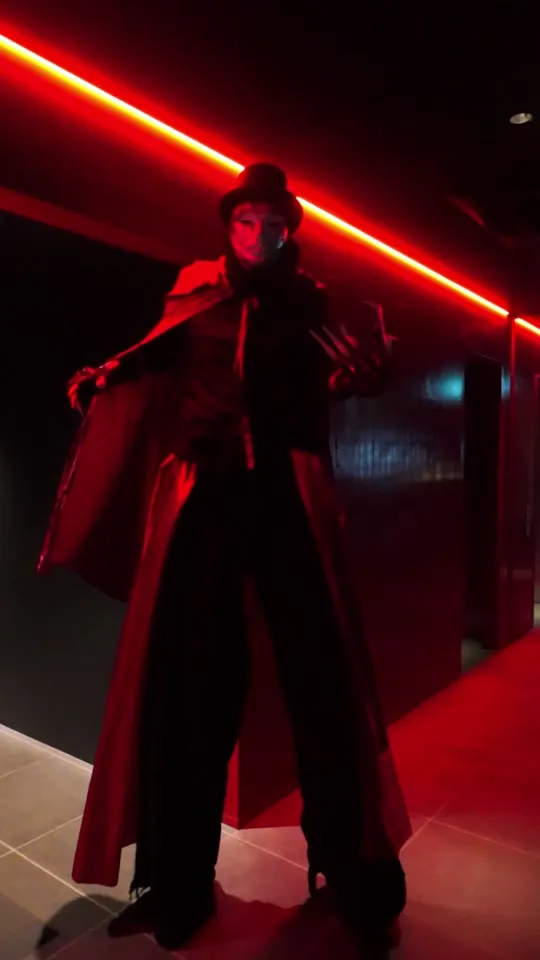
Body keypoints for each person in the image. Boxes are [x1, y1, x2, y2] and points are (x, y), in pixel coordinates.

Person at [39, 163, 411, 955]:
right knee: (188, 687)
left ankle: (354, 880)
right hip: (205, 498)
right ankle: (177, 887)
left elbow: (351, 369)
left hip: (286, 500)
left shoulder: (311, 303)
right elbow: (158, 355)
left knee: (325, 685)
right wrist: (107, 376)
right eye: (246, 221)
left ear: (289, 231)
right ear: (229, 224)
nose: (259, 237)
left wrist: (364, 375)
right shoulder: (197, 291)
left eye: (274, 225)